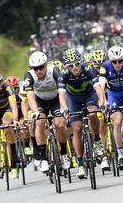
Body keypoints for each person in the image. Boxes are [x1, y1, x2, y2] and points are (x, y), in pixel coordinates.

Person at [58, 49, 105, 179]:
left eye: (77, 64)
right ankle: (80, 163)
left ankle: (96, 140)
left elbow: (99, 90)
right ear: (66, 66)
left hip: (89, 95)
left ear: (81, 62)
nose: (75, 68)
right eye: (71, 65)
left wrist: (101, 103)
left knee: (92, 114)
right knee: (77, 128)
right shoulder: (63, 74)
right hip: (73, 100)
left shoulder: (89, 69)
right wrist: (65, 108)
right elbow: (61, 95)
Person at [24, 51, 71, 173]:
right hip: (40, 101)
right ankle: (43, 159)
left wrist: (63, 107)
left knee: (60, 124)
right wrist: (35, 112)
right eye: (36, 68)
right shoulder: (29, 76)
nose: (39, 71)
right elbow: (30, 96)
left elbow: (62, 91)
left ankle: (64, 154)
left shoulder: (54, 70)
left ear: (46, 65)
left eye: (41, 67)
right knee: (39, 122)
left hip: (56, 99)